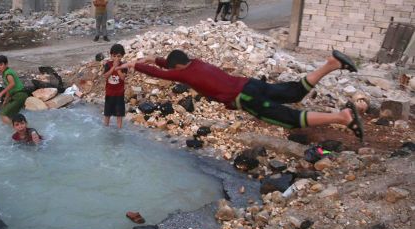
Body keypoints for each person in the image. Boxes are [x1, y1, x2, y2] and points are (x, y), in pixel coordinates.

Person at [117, 49, 364, 140]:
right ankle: (331, 64)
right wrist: (157, 58)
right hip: (250, 84)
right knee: (293, 91)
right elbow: (173, 65)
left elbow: (164, 74)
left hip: (246, 98)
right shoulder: (196, 63)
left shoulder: (185, 75)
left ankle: (342, 117)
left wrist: (135, 65)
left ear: (178, 68)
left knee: (289, 118)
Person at [0, 55, 28, 125]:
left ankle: (15, 130)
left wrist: (1, 93)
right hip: (20, 95)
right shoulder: (5, 73)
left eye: (1, 65)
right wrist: (5, 100)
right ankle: (25, 128)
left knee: (3, 114)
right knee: (11, 116)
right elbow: (9, 89)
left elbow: (12, 84)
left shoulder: (8, 73)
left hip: (19, 95)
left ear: (6, 64)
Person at [103, 43, 128, 128]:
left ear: (122, 56)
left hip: (119, 94)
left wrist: (117, 68)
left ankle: (119, 129)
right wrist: (113, 67)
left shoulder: (124, 66)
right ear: (111, 56)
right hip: (109, 94)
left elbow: (122, 78)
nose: (116, 58)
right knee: (107, 114)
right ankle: (106, 128)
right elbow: (106, 76)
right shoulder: (107, 64)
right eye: (114, 56)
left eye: (119, 56)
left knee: (119, 115)